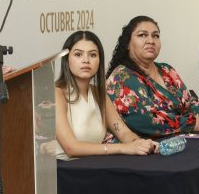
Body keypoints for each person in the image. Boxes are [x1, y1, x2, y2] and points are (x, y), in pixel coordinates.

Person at [106, 16, 199, 138]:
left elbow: (189, 105)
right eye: (142, 35)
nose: (151, 41)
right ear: (127, 44)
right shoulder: (121, 77)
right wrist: (194, 124)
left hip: (179, 140)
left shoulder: (166, 70)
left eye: (155, 36)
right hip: (142, 145)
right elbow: (146, 121)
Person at [54, 30, 158, 160]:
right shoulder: (57, 93)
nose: (86, 60)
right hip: (61, 167)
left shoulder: (98, 93)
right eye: (78, 54)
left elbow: (123, 132)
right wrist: (123, 148)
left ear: (99, 60)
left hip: (92, 164)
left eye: (92, 55)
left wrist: (140, 143)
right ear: (66, 59)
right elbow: (71, 148)